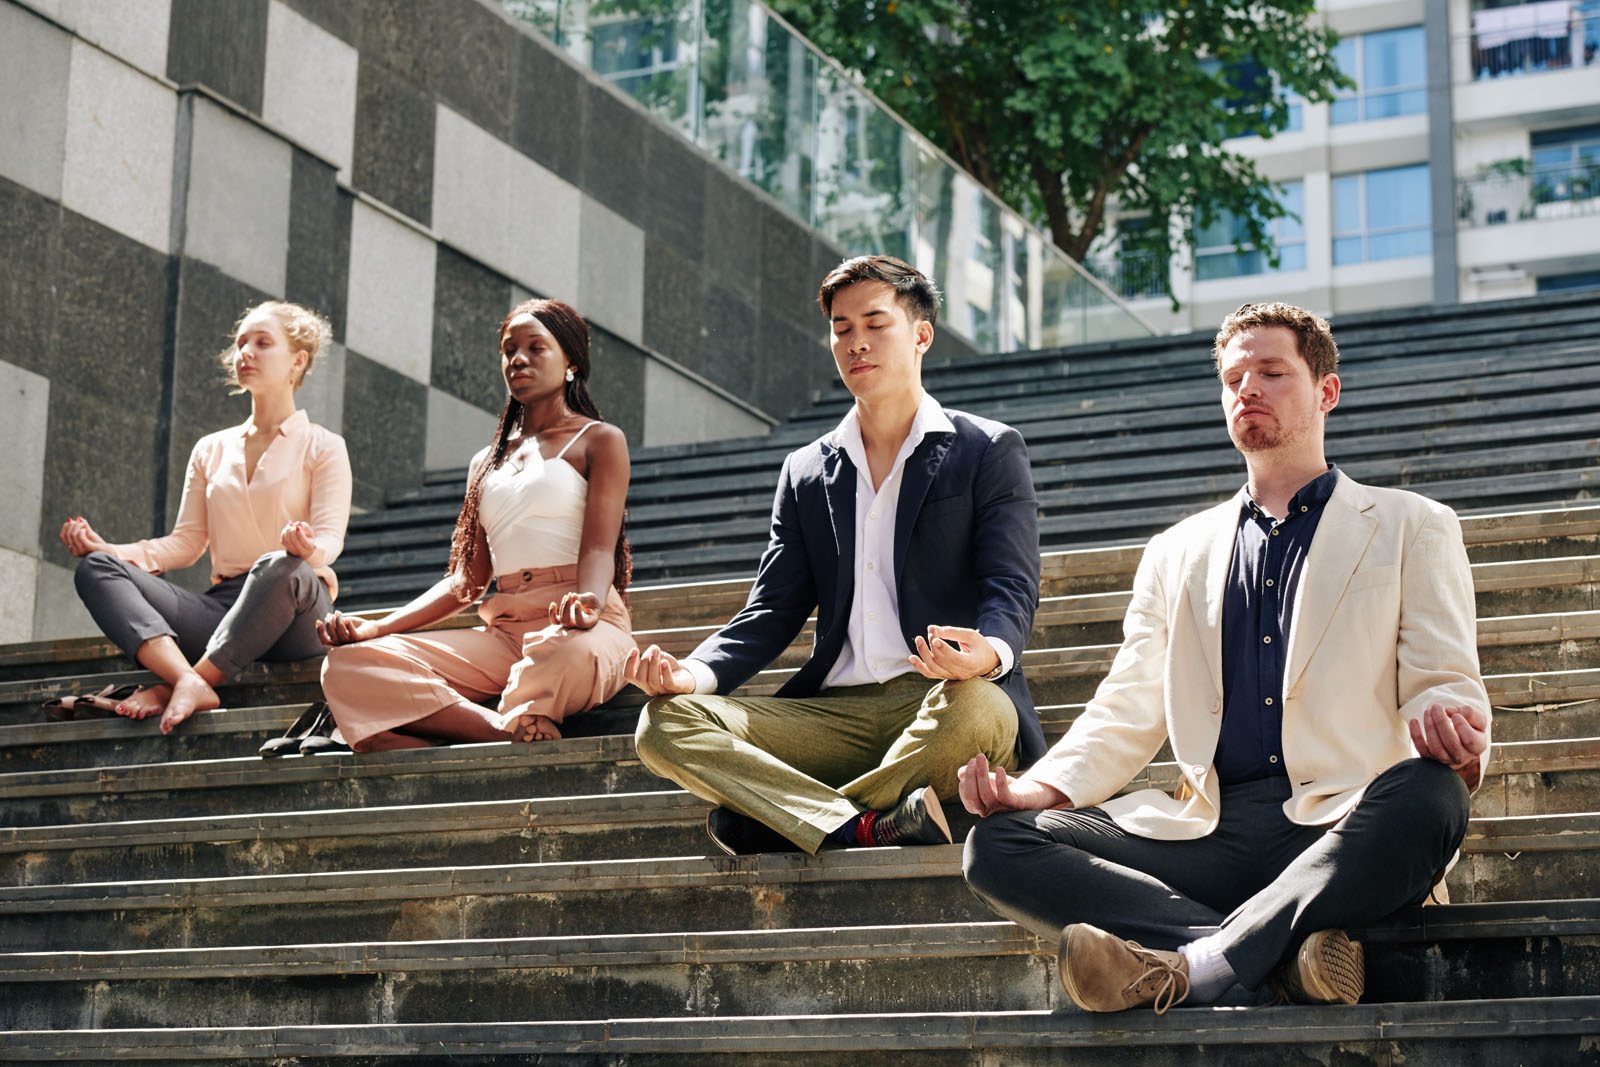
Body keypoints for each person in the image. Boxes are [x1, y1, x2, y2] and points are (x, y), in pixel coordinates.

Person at [959, 302, 1491, 1013]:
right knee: (998, 843)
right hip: (1209, 834)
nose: (1249, 389)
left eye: (1272, 372)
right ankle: (1260, 955)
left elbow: (1444, 680)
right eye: (1235, 377)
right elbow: (1127, 705)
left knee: (1432, 795)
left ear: (1325, 391)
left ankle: (1187, 963)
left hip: (1343, 823)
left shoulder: (1411, 525)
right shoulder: (1175, 551)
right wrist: (1037, 789)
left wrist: (1455, 739)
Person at [629, 255, 1042, 856]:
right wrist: (689, 675)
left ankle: (782, 818)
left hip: (943, 700)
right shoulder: (805, 471)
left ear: (921, 335)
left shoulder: (986, 450)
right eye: (842, 329)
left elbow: (1011, 584)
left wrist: (990, 652)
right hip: (832, 718)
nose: (857, 343)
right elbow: (769, 611)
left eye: (875, 324)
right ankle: (864, 823)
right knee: (663, 724)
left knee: (981, 711)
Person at [316, 298, 633, 751]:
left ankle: (412, 728)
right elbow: (467, 582)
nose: (518, 359)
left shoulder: (600, 440)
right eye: (509, 351)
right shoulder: (485, 463)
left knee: (567, 654)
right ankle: (504, 728)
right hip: (504, 635)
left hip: (579, 624)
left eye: (535, 348)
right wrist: (377, 629)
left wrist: (588, 601)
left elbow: (600, 550)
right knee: (347, 663)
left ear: (570, 363)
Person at [59, 301, 351, 733]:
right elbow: (186, 542)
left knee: (278, 566)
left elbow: (330, 538)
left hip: (295, 606)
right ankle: (186, 680)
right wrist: (110, 550)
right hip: (222, 608)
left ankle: (181, 684)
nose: (245, 352)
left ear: (298, 361)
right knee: (97, 570)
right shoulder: (210, 448)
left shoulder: (324, 446)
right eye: (240, 343)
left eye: (262, 343)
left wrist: (309, 550)